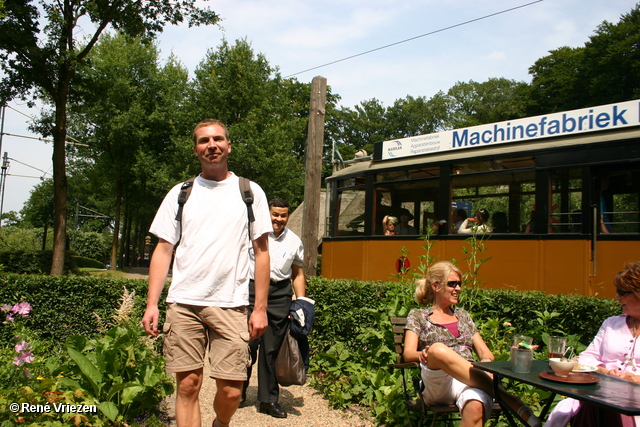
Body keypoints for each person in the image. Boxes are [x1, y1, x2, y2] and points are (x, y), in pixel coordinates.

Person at [141, 119, 272, 427]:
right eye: (203, 141)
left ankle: (221, 424)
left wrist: (260, 308)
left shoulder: (249, 192)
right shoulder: (180, 193)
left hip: (231, 304)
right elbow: (163, 249)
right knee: (187, 386)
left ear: (228, 145)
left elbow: (262, 251)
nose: (211, 145)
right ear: (196, 149)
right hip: (184, 303)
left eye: (217, 139)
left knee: (230, 391)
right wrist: (151, 304)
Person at [404, 261, 540, 427]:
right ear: (436, 286)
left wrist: (486, 363)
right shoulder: (419, 315)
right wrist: (423, 354)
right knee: (437, 349)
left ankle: (500, 394)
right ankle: (512, 401)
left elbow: (486, 353)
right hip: (438, 382)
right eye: (452, 284)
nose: (458, 288)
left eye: (459, 284)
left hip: (468, 379)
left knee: (477, 407)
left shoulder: (463, 316)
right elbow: (408, 353)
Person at [546, 261, 640, 427]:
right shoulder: (611, 323)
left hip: (634, 399)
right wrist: (604, 371)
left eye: (622, 292)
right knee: (597, 400)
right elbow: (586, 357)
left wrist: (635, 378)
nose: (617, 297)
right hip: (602, 391)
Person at [244, 198, 307, 418]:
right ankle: (238, 390)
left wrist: (302, 304)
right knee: (248, 344)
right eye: (275, 214)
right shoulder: (254, 235)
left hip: (280, 294)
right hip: (252, 291)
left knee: (271, 350)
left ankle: (268, 399)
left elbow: (298, 273)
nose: (279, 219)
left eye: (283, 215)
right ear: (267, 213)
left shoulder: (294, 241)